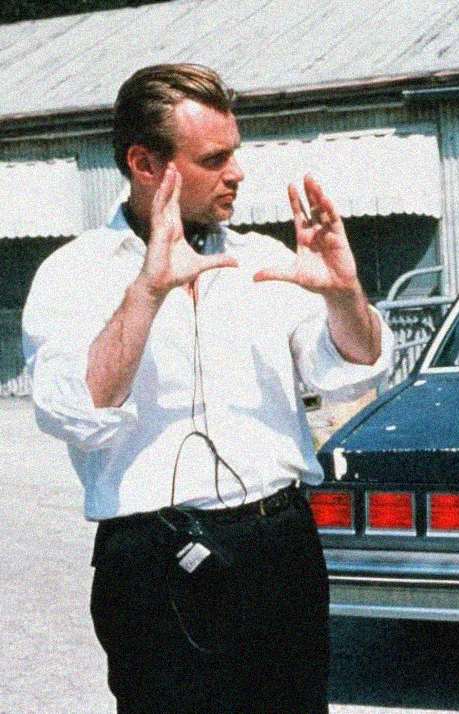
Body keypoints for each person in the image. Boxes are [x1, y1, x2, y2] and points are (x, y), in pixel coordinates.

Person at [22, 64, 394, 712]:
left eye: (236, 152)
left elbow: (354, 370)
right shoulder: (73, 275)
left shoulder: (263, 260)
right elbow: (79, 412)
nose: (238, 172)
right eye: (215, 157)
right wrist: (149, 289)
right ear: (145, 163)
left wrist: (344, 293)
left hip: (278, 548)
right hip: (152, 564)